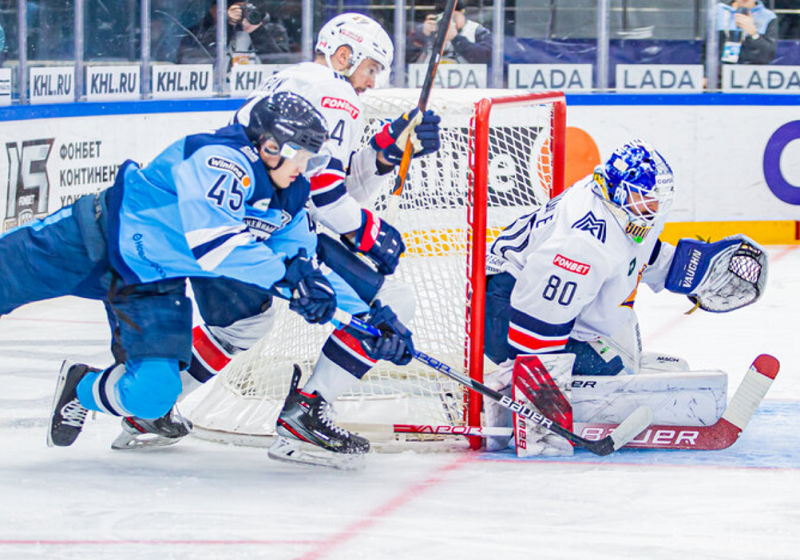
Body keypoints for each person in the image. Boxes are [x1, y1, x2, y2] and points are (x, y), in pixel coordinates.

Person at [114, 14, 437, 468]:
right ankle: (306, 416)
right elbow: (322, 195)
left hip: (239, 228)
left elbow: (318, 182)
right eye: (370, 69)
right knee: (392, 303)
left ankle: (150, 412)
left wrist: (384, 154)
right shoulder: (334, 91)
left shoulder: (291, 80)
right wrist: (366, 230)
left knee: (241, 328)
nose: (369, 83)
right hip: (278, 233)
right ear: (344, 55)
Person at [0, 91, 346, 449]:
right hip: (94, 238)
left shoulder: (289, 192)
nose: (304, 167)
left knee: (154, 395)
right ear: (271, 146)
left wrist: (368, 317)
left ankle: (80, 388)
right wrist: (290, 281)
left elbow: (300, 258)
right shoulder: (221, 159)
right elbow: (216, 246)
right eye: (301, 156)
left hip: (152, 282)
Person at [481, 139, 767, 452]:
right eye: (644, 197)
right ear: (617, 190)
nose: (653, 207)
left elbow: (631, 253)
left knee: (625, 342)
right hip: (505, 310)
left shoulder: (621, 204)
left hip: (543, 297)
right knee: (611, 373)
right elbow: (536, 329)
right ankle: (502, 394)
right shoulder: (581, 246)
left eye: (656, 199)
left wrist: (686, 272)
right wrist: (540, 409)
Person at [176, 0, 290, 67]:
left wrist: (257, 30)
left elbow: (280, 64)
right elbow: (196, 59)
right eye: (239, 9)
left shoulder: (272, 30)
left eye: (247, 8)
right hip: (221, 88)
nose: (243, 13)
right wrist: (226, 24)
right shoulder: (203, 30)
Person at [407, 0, 492, 65]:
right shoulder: (430, 30)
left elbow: (487, 58)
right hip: (432, 82)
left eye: (453, 17)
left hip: (468, 84)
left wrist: (456, 39)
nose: (448, 22)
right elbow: (404, 55)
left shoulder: (476, 31)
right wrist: (420, 34)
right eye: (444, 18)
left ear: (463, 13)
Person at [714, 0, 778, 66]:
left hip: (751, 71)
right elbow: (706, 49)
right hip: (721, 70)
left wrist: (754, 34)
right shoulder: (718, 11)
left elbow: (769, 56)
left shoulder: (768, 17)